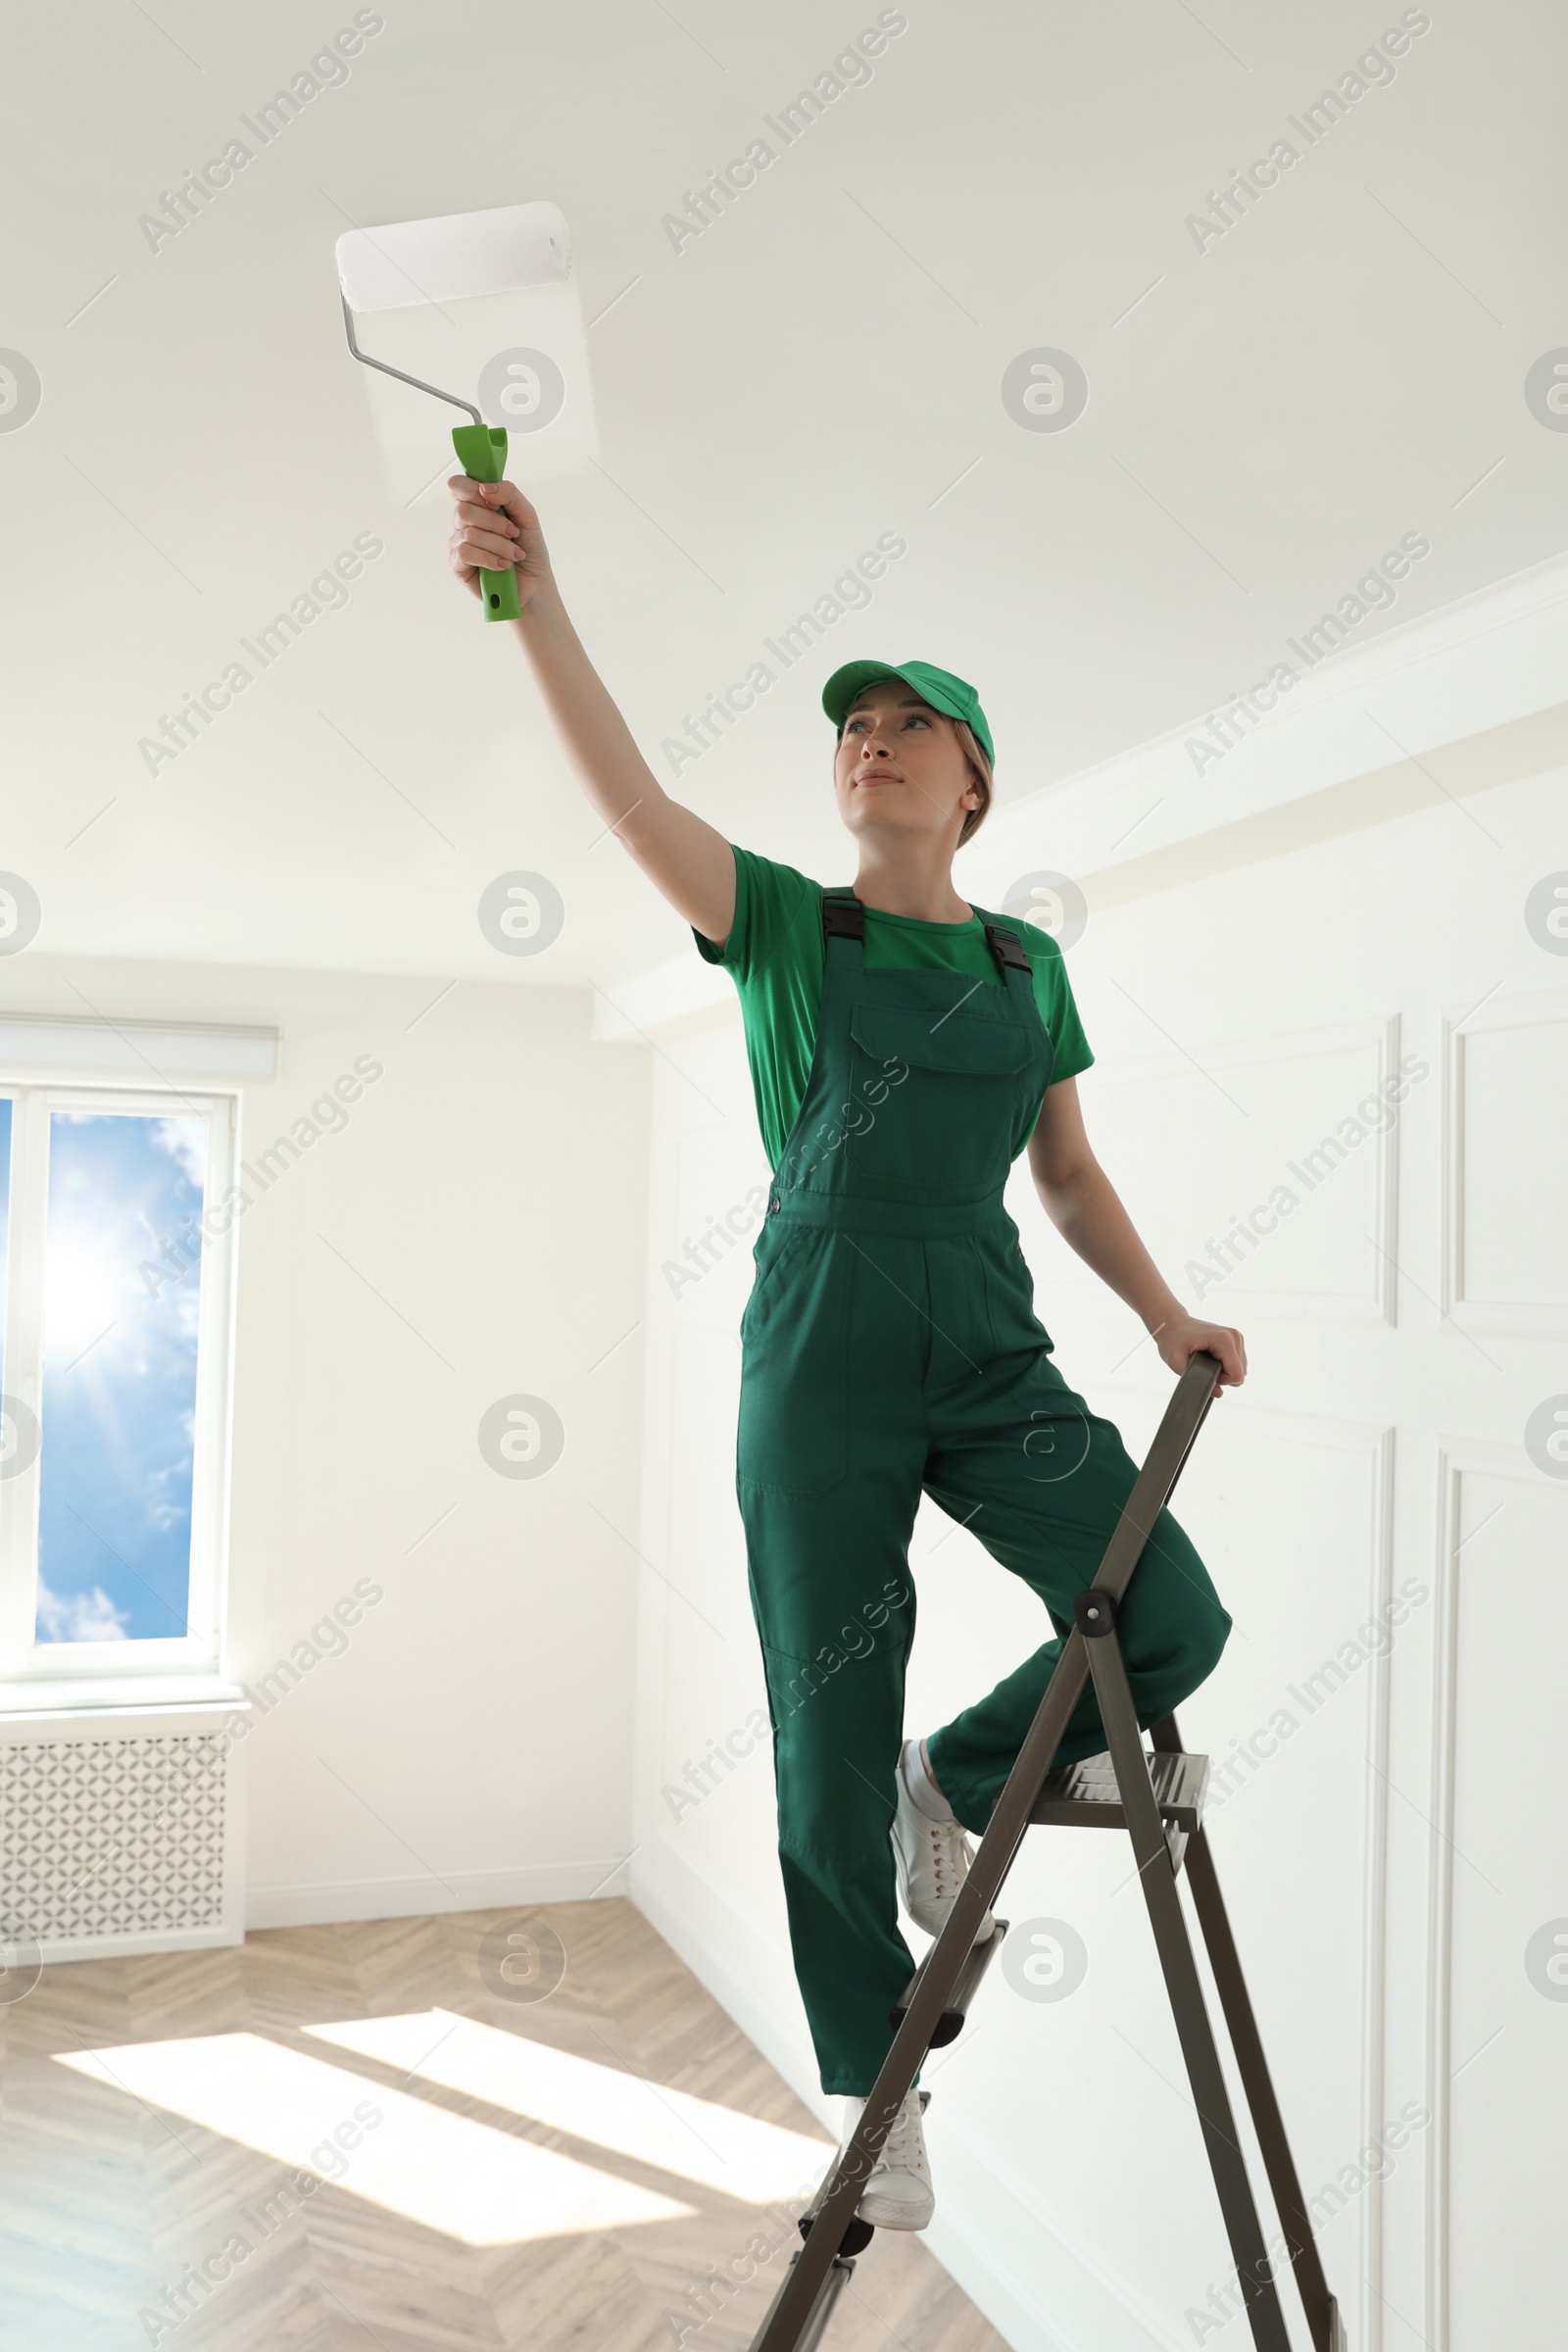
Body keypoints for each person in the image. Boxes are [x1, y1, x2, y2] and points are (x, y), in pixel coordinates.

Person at [448, 472, 1247, 2232]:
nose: (873, 746)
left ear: (974, 782)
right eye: (854, 731)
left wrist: (1164, 1314)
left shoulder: (1032, 964)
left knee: (1166, 1614)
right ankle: (875, 2088)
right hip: (817, 1341)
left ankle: (958, 1780)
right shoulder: (793, 932)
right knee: (824, 1717)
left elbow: (1068, 1169)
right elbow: (633, 793)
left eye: (914, 727)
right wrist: (535, 602)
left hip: (986, 1336)